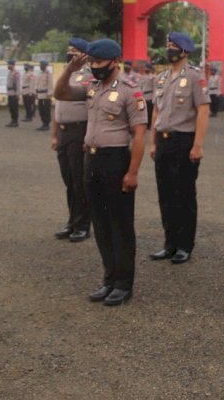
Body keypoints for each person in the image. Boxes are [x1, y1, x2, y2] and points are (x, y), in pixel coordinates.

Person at [54, 39, 147, 306]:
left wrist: (133, 172)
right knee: (101, 224)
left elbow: (140, 134)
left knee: (120, 225)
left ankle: (123, 284)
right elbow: (60, 93)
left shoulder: (130, 91)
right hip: (91, 160)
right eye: (92, 62)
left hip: (116, 161)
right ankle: (109, 279)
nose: (95, 66)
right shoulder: (91, 87)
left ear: (115, 61)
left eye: (100, 62)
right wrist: (70, 70)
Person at [149, 32, 210, 264]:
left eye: (173, 46)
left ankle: (185, 245)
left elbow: (203, 111)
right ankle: (170, 243)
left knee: (183, 194)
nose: (169, 49)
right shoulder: (161, 78)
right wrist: (153, 142)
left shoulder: (195, 77)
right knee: (165, 195)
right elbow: (156, 111)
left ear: (184, 51)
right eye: (168, 45)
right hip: (163, 141)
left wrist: (198, 145)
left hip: (184, 141)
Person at [51, 38, 92, 243]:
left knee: (79, 181)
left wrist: (88, 136)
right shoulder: (66, 74)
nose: (69, 53)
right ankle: (72, 222)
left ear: (84, 55)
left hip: (79, 131)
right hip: (64, 133)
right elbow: (57, 107)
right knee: (68, 180)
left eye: (74, 50)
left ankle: (83, 225)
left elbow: (93, 110)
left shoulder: (89, 76)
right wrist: (54, 135)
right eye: (68, 50)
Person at [36, 60, 53, 131]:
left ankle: (46, 124)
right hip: (40, 95)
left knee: (46, 110)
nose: (40, 66)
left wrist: (49, 94)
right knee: (41, 110)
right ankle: (43, 123)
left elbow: (50, 84)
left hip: (45, 96)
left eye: (41, 65)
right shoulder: (40, 74)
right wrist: (36, 93)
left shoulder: (48, 74)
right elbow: (37, 84)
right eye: (40, 65)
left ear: (45, 66)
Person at [138, 62, 155, 128]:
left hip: (150, 96)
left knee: (150, 111)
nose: (146, 69)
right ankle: (145, 124)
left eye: (147, 68)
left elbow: (155, 87)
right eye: (145, 68)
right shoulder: (141, 77)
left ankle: (149, 124)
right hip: (142, 96)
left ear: (150, 69)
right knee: (143, 111)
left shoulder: (152, 77)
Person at [5, 59, 21, 127]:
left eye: (9, 64)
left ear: (12, 65)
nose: (8, 66)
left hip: (14, 93)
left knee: (14, 108)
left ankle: (15, 121)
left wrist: (18, 93)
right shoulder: (10, 73)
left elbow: (18, 84)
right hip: (10, 93)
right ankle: (12, 120)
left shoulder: (16, 73)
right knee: (11, 108)